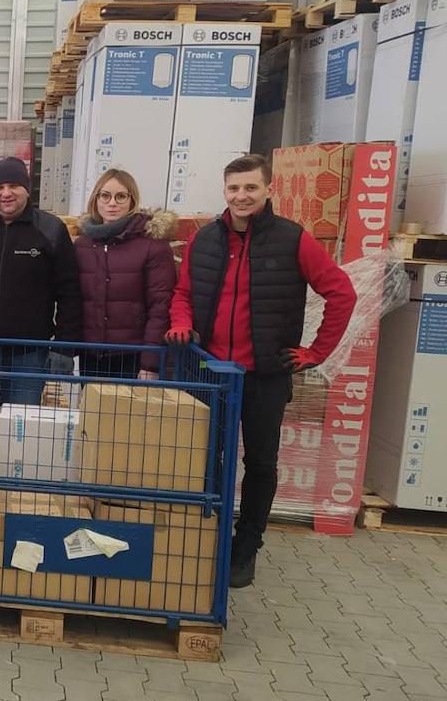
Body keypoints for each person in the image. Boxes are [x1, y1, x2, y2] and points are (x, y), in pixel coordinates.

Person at [167, 154, 357, 589]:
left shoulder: (293, 240)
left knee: (260, 463)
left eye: (250, 187)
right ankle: (202, 537)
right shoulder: (205, 240)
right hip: (212, 373)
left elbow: (341, 293)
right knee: (203, 456)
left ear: (268, 189)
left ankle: (245, 547)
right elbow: (183, 293)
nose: (241, 196)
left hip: (264, 377)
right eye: (234, 188)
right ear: (225, 190)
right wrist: (181, 324)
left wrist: (316, 352)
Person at [0, 157, 83, 476]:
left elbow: (70, 293)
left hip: (28, 356)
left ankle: (10, 499)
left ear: (27, 189)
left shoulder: (50, 230)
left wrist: (64, 347)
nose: (6, 194)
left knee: (20, 436)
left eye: (14, 186)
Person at [74, 168, 177, 379]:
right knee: (93, 412)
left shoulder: (152, 245)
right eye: (105, 196)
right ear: (96, 199)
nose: (112, 203)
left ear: (132, 200)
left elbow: (160, 305)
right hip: (91, 355)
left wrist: (150, 362)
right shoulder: (83, 245)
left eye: (121, 196)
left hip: (132, 356)